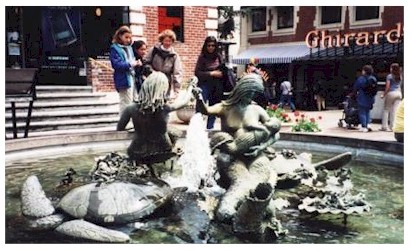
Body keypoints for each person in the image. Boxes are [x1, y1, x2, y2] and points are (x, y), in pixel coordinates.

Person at [193, 73, 281, 221]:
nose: (252, 96)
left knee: (261, 178)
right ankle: (234, 209)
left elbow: (275, 133)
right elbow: (205, 111)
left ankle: (257, 206)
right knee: (243, 181)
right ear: (242, 89)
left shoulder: (257, 109)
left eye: (255, 93)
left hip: (255, 155)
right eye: (250, 92)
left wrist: (261, 148)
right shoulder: (225, 107)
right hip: (232, 158)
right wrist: (199, 98)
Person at [117, 72, 198, 176]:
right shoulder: (165, 108)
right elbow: (185, 101)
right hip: (162, 151)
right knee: (174, 133)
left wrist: (137, 125)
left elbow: (120, 128)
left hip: (137, 151)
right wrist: (191, 86)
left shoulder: (130, 109)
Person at [194, 36, 225, 130]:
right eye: (209, 45)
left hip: (216, 86)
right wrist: (211, 73)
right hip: (204, 84)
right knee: (200, 106)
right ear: (205, 46)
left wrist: (222, 73)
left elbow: (223, 69)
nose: (211, 47)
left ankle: (210, 128)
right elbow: (197, 72)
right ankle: (197, 127)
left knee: (214, 107)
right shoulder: (202, 57)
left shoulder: (219, 57)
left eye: (213, 45)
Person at [145, 29, 183, 99]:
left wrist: (176, 91)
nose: (167, 43)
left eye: (170, 41)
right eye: (166, 41)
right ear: (162, 40)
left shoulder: (174, 55)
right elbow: (146, 62)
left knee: (164, 101)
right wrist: (152, 72)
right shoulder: (154, 50)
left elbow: (177, 73)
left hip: (166, 82)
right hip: (153, 81)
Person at [110, 25, 138, 115]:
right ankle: (124, 123)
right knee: (125, 102)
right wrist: (130, 64)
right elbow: (116, 64)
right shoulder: (115, 48)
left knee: (132, 101)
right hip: (123, 78)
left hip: (131, 76)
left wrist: (136, 63)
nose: (128, 40)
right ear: (120, 36)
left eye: (130, 38)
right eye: (126, 37)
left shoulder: (129, 48)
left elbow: (132, 60)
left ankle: (131, 122)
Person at [353, 65, 377, 133]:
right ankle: (368, 124)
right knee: (368, 111)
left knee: (362, 112)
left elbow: (356, 87)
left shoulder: (361, 78)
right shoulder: (373, 78)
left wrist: (354, 94)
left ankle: (364, 126)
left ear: (364, 71)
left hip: (362, 97)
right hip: (371, 98)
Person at [379, 63, 403, 131]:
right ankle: (393, 127)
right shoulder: (400, 76)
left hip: (391, 93)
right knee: (394, 111)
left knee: (386, 110)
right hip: (399, 93)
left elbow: (388, 86)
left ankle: (384, 126)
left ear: (392, 68)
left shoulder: (389, 76)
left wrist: (384, 94)